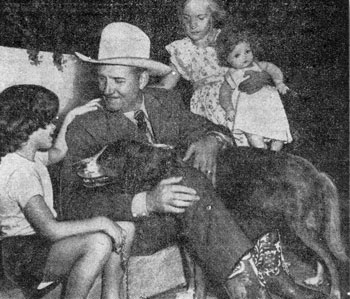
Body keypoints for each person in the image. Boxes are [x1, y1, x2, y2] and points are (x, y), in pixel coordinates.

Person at [62, 22, 326, 299]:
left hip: (193, 214)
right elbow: (71, 204)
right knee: (189, 180)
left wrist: (211, 140)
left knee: (247, 190)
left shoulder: (162, 103)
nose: (107, 89)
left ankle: (273, 277)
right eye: (102, 79)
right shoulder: (86, 126)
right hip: (140, 224)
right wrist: (145, 202)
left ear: (142, 80)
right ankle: (246, 287)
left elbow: (212, 128)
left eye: (118, 81)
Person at [0, 85, 135, 299]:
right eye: (50, 121)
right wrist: (102, 222)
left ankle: (112, 296)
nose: (54, 125)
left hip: (35, 247)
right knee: (99, 242)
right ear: (28, 125)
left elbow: (57, 153)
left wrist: (72, 115)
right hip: (19, 255)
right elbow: (50, 230)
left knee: (125, 226)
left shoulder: (27, 156)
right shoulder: (19, 173)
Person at [152, 0, 272, 128]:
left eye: (201, 18)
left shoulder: (226, 39)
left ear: (212, 18)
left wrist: (260, 76)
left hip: (236, 94)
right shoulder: (181, 49)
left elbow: (253, 64)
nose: (193, 24)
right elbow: (167, 84)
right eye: (186, 19)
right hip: (207, 105)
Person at [216, 28, 293, 151]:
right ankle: (262, 150)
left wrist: (279, 83)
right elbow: (224, 93)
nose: (244, 56)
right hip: (249, 111)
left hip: (269, 107)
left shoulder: (259, 65)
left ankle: (275, 153)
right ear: (227, 59)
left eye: (247, 51)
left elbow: (273, 69)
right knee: (252, 133)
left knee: (278, 132)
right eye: (237, 55)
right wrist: (229, 109)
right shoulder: (232, 74)